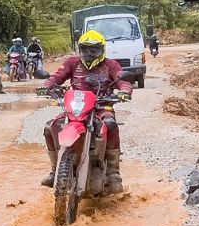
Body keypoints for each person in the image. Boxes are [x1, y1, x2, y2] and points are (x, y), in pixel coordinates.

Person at [39, 30, 131, 191]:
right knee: (49, 126)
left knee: (110, 124)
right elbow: (57, 76)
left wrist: (124, 91)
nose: (89, 54)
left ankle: (113, 174)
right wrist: (46, 85)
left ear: (101, 50)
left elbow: (123, 81)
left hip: (101, 107)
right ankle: (54, 170)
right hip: (76, 108)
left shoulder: (110, 65)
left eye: (93, 50)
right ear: (80, 49)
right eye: (85, 50)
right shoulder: (72, 62)